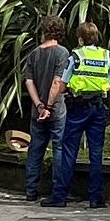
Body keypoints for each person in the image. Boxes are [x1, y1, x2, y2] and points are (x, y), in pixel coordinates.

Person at [41, 22, 110, 209]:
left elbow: (62, 85)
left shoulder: (76, 56)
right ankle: (96, 199)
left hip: (78, 108)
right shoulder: (105, 56)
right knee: (96, 153)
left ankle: (59, 197)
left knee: (68, 151)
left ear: (80, 38)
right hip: (98, 108)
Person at [24, 15, 70, 202]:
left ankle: (30, 190)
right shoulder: (62, 53)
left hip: (38, 110)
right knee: (58, 148)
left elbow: (29, 81)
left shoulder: (34, 53)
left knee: (35, 149)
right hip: (57, 109)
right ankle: (57, 191)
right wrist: (49, 107)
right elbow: (57, 82)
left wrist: (39, 105)